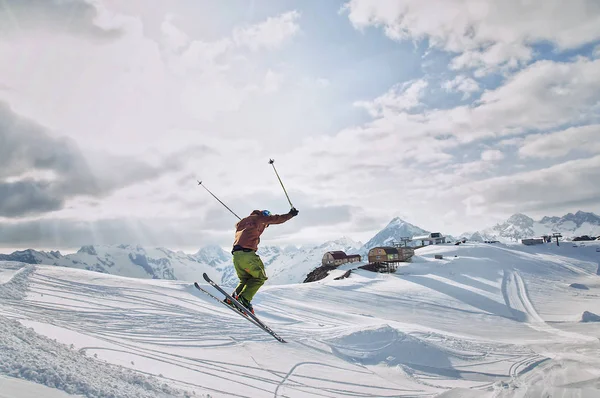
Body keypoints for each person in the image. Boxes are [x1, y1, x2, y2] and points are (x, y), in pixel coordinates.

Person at [226, 207, 299, 314]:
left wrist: (248, 223)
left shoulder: (243, 222)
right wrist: (290, 214)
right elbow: (277, 219)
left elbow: (238, 226)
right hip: (247, 254)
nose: (265, 225)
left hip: (236, 255)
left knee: (246, 279)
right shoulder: (260, 218)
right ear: (263, 215)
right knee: (260, 278)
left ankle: (233, 298)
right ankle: (244, 299)